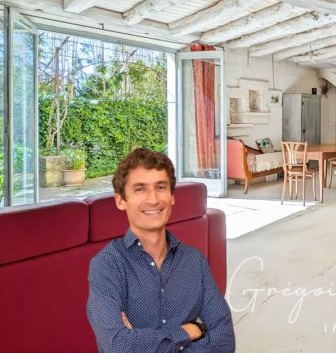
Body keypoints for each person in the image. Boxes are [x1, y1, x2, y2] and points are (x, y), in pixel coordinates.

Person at [87, 148, 235, 352]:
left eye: (161, 187)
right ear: (120, 201)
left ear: (172, 196)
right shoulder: (107, 265)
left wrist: (140, 342)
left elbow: (225, 341)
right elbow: (118, 345)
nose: (153, 199)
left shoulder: (195, 261)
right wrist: (189, 332)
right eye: (140, 189)